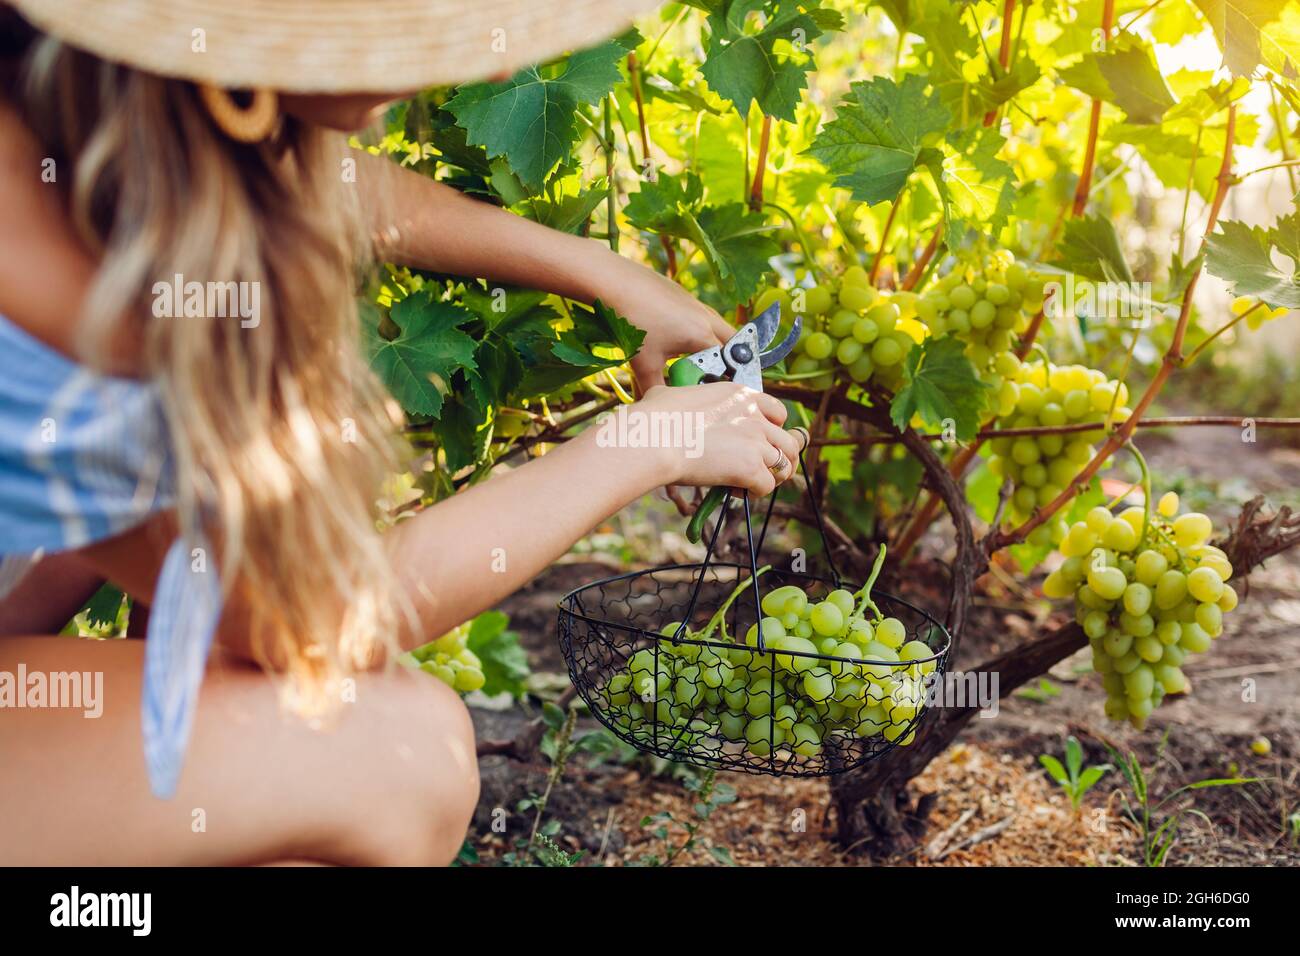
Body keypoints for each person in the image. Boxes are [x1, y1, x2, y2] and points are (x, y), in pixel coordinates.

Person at [0, 0, 802, 864]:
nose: (492, 68)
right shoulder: (91, 307)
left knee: (175, 596)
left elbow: (334, 179)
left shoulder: (80, 95)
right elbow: (312, 618)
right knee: (400, 750)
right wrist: (649, 443)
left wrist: (612, 278)